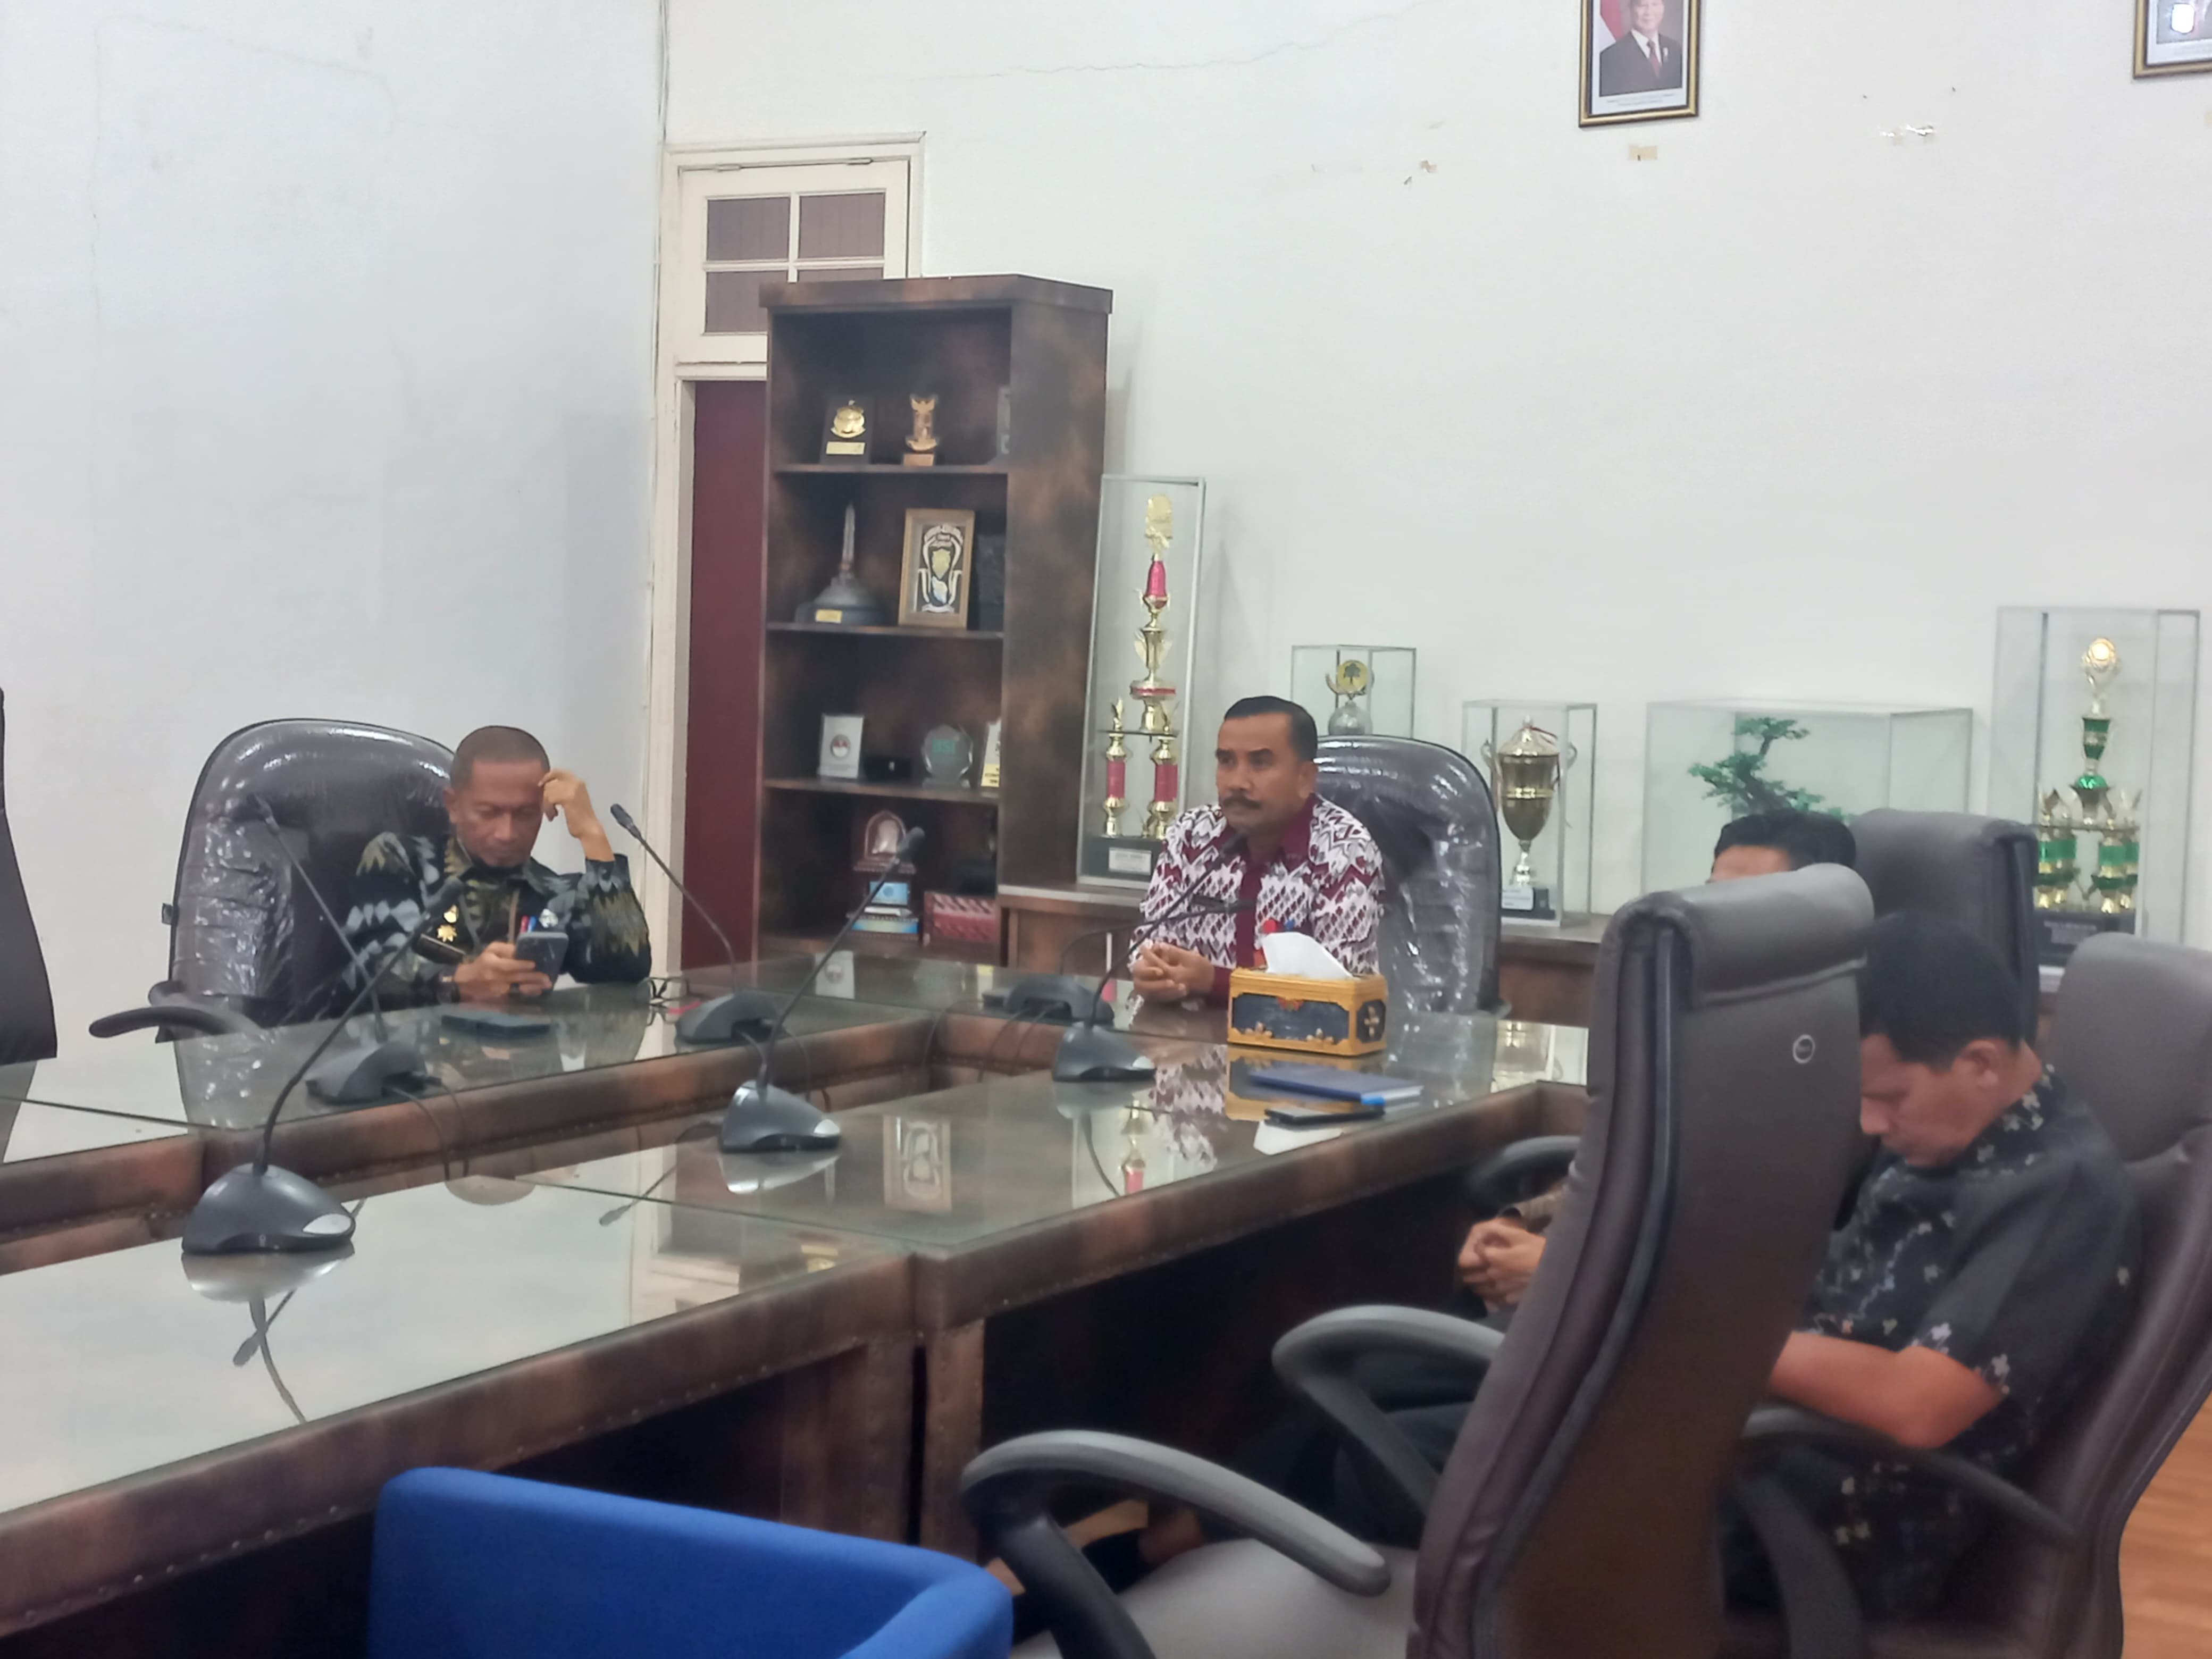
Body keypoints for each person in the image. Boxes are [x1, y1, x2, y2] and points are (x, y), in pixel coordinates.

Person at [1461, 807, 1858, 1308]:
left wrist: (1562, 1269)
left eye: (1749, 904)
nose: (1722, 922)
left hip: (1646, 1311)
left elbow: (1736, 1241)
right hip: (1583, 1281)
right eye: (1715, 898)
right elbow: (1628, 1162)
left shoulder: (1834, 1062)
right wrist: (1521, 1222)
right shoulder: (1701, 1019)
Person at [342, 725, 651, 1007]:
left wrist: (593, 836)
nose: (507, 833)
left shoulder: (553, 894)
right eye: (489, 813)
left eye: (525, 814)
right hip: (408, 1049)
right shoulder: (401, 859)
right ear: (453, 806)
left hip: (525, 1048)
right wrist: (457, 982)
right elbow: (369, 972)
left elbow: (628, 970)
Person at [1128, 696, 1383, 1007]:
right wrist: (1152, 970)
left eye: (1260, 763)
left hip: (1300, 1037)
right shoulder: (1190, 834)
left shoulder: (1345, 848)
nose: (1238, 782)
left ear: (1305, 778)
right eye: (1226, 762)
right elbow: (1147, 944)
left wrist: (1215, 982)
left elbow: (1342, 991)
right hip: (1187, 1033)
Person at [1597, 0, 1685, 96]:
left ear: (1663, 8)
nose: (1649, 12)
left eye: (1655, 4)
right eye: (1642, 5)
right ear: (1631, 9)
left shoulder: (1675, 50)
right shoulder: (1610, 57)